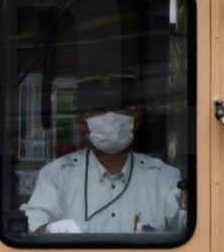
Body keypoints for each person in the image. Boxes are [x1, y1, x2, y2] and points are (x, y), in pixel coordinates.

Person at [22, 76, 185, 237]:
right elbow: (33, 225)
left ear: (137, 120)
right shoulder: (55, 176)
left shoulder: (165, 178)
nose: (111, 117)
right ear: (81, 124)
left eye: (121, 109)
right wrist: (49, 230)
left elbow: (190, 227)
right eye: (99, 110)